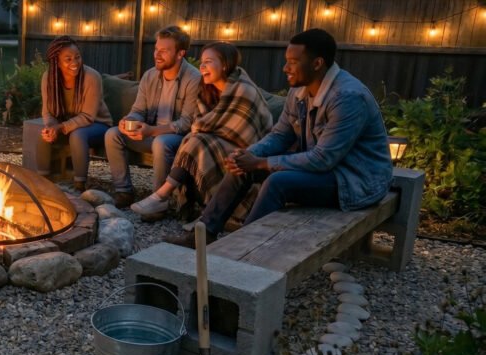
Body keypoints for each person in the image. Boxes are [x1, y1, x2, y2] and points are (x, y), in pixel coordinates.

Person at [165, 29, 394, 248]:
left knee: (278, 182)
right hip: (323, 170)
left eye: (293, 62)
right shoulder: (299, 90)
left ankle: (241, 249)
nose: (285, 68)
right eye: (286, 61)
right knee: (240, 166)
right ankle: (204, 235)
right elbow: (280, 135)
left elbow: (323, 159)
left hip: (354, 180)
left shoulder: (347, 98)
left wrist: (262, 163)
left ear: (317, 63)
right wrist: (249, 155)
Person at [131, 42, 273, 220]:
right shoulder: (207, 89)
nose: (202, 67)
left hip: (250, 152)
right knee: (194, 140)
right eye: (201, 62)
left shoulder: (244, 90)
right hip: (215, 145)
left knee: (196, 140)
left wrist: (201, 131)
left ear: (225, 65)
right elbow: (204, 124)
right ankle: (171, 200)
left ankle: (162, 196)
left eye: (208, 62)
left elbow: (237, 130)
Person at [105, 25, 202, 208]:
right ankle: (124, 191)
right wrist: (129, 120)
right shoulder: (150, 76)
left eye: (164, 51)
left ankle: (159, 201)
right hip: (150, 134)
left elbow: (187, 122)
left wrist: (152, 131)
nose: (157, 55)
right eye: (156, 49)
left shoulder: (194, 78)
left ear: (180, 54)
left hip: (178, 139)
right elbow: (138, 110)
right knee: (113, 134)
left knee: (161, 142)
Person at [36, 36, 113, 192]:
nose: (75, 62)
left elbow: (88, 116)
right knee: (43, 135)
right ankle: (43, 182)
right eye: (68, 59)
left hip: (97, 124)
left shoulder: (91, 77)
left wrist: (60, 127)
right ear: (56, 62)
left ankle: (79, 185)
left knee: (78, 135)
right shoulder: (48, 78)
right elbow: (47, 111)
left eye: (77, 57)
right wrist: (50, 127)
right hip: (67, 124)